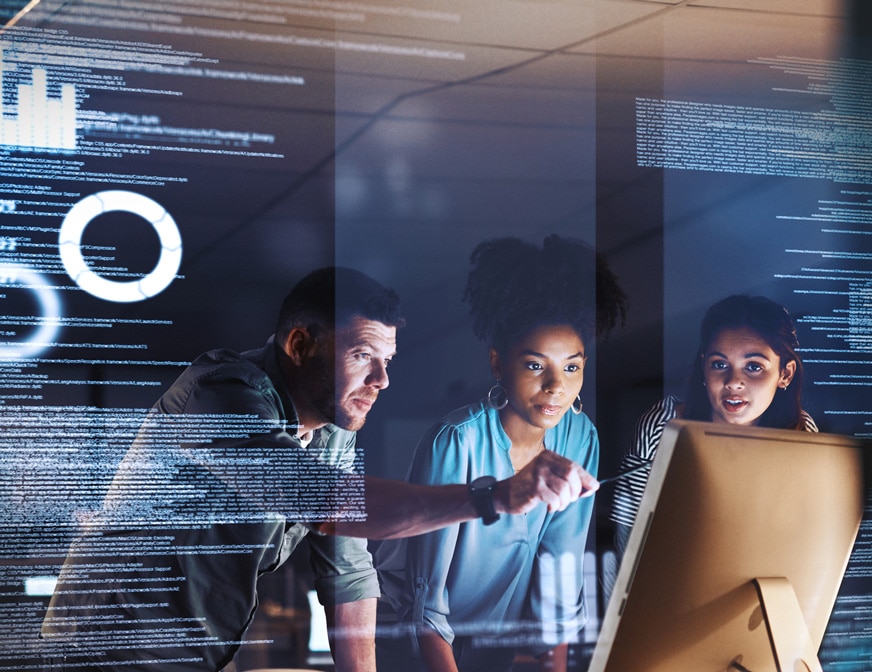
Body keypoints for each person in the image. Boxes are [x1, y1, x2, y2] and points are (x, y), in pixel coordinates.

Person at [40, 266, 599, 672]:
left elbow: (348, 574)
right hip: (99, 652)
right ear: (300, 344)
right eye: (362, 358)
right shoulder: (222, 396)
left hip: (189, 655)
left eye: (388, 363)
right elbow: (324, 499)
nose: (381, 381)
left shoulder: (331, 434)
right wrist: (491, 498)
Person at [375, 236, 627, 672]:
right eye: (535, 365)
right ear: (497, 364)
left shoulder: (580, 437)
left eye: (572, 367)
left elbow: (560, 585)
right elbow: (425, 607)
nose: (556, 387)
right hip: (417, 654)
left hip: (494, 655)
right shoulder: (456, 441)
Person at [610, 294, 817, 561]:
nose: (733, 382)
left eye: (753, 367)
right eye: (719, 364)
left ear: (785, 374)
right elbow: (626, 542)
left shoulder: (801, 431)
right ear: (704, 365)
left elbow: (806, 542)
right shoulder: (663, 425)